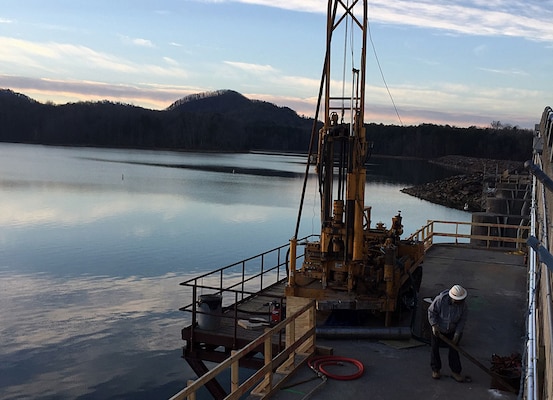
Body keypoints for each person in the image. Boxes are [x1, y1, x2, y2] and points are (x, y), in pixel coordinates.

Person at [427, 284, 468, 382]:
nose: (460, 302)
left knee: (454, 349)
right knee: (434, 348)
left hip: (452, 330)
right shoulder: (440, 300)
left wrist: (457, 334)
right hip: (439, 328)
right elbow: (431, 312)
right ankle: (436, 370)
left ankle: (455, 371)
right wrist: (434, 325)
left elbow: (462, 321)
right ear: (453, 298)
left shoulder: (463, 306)